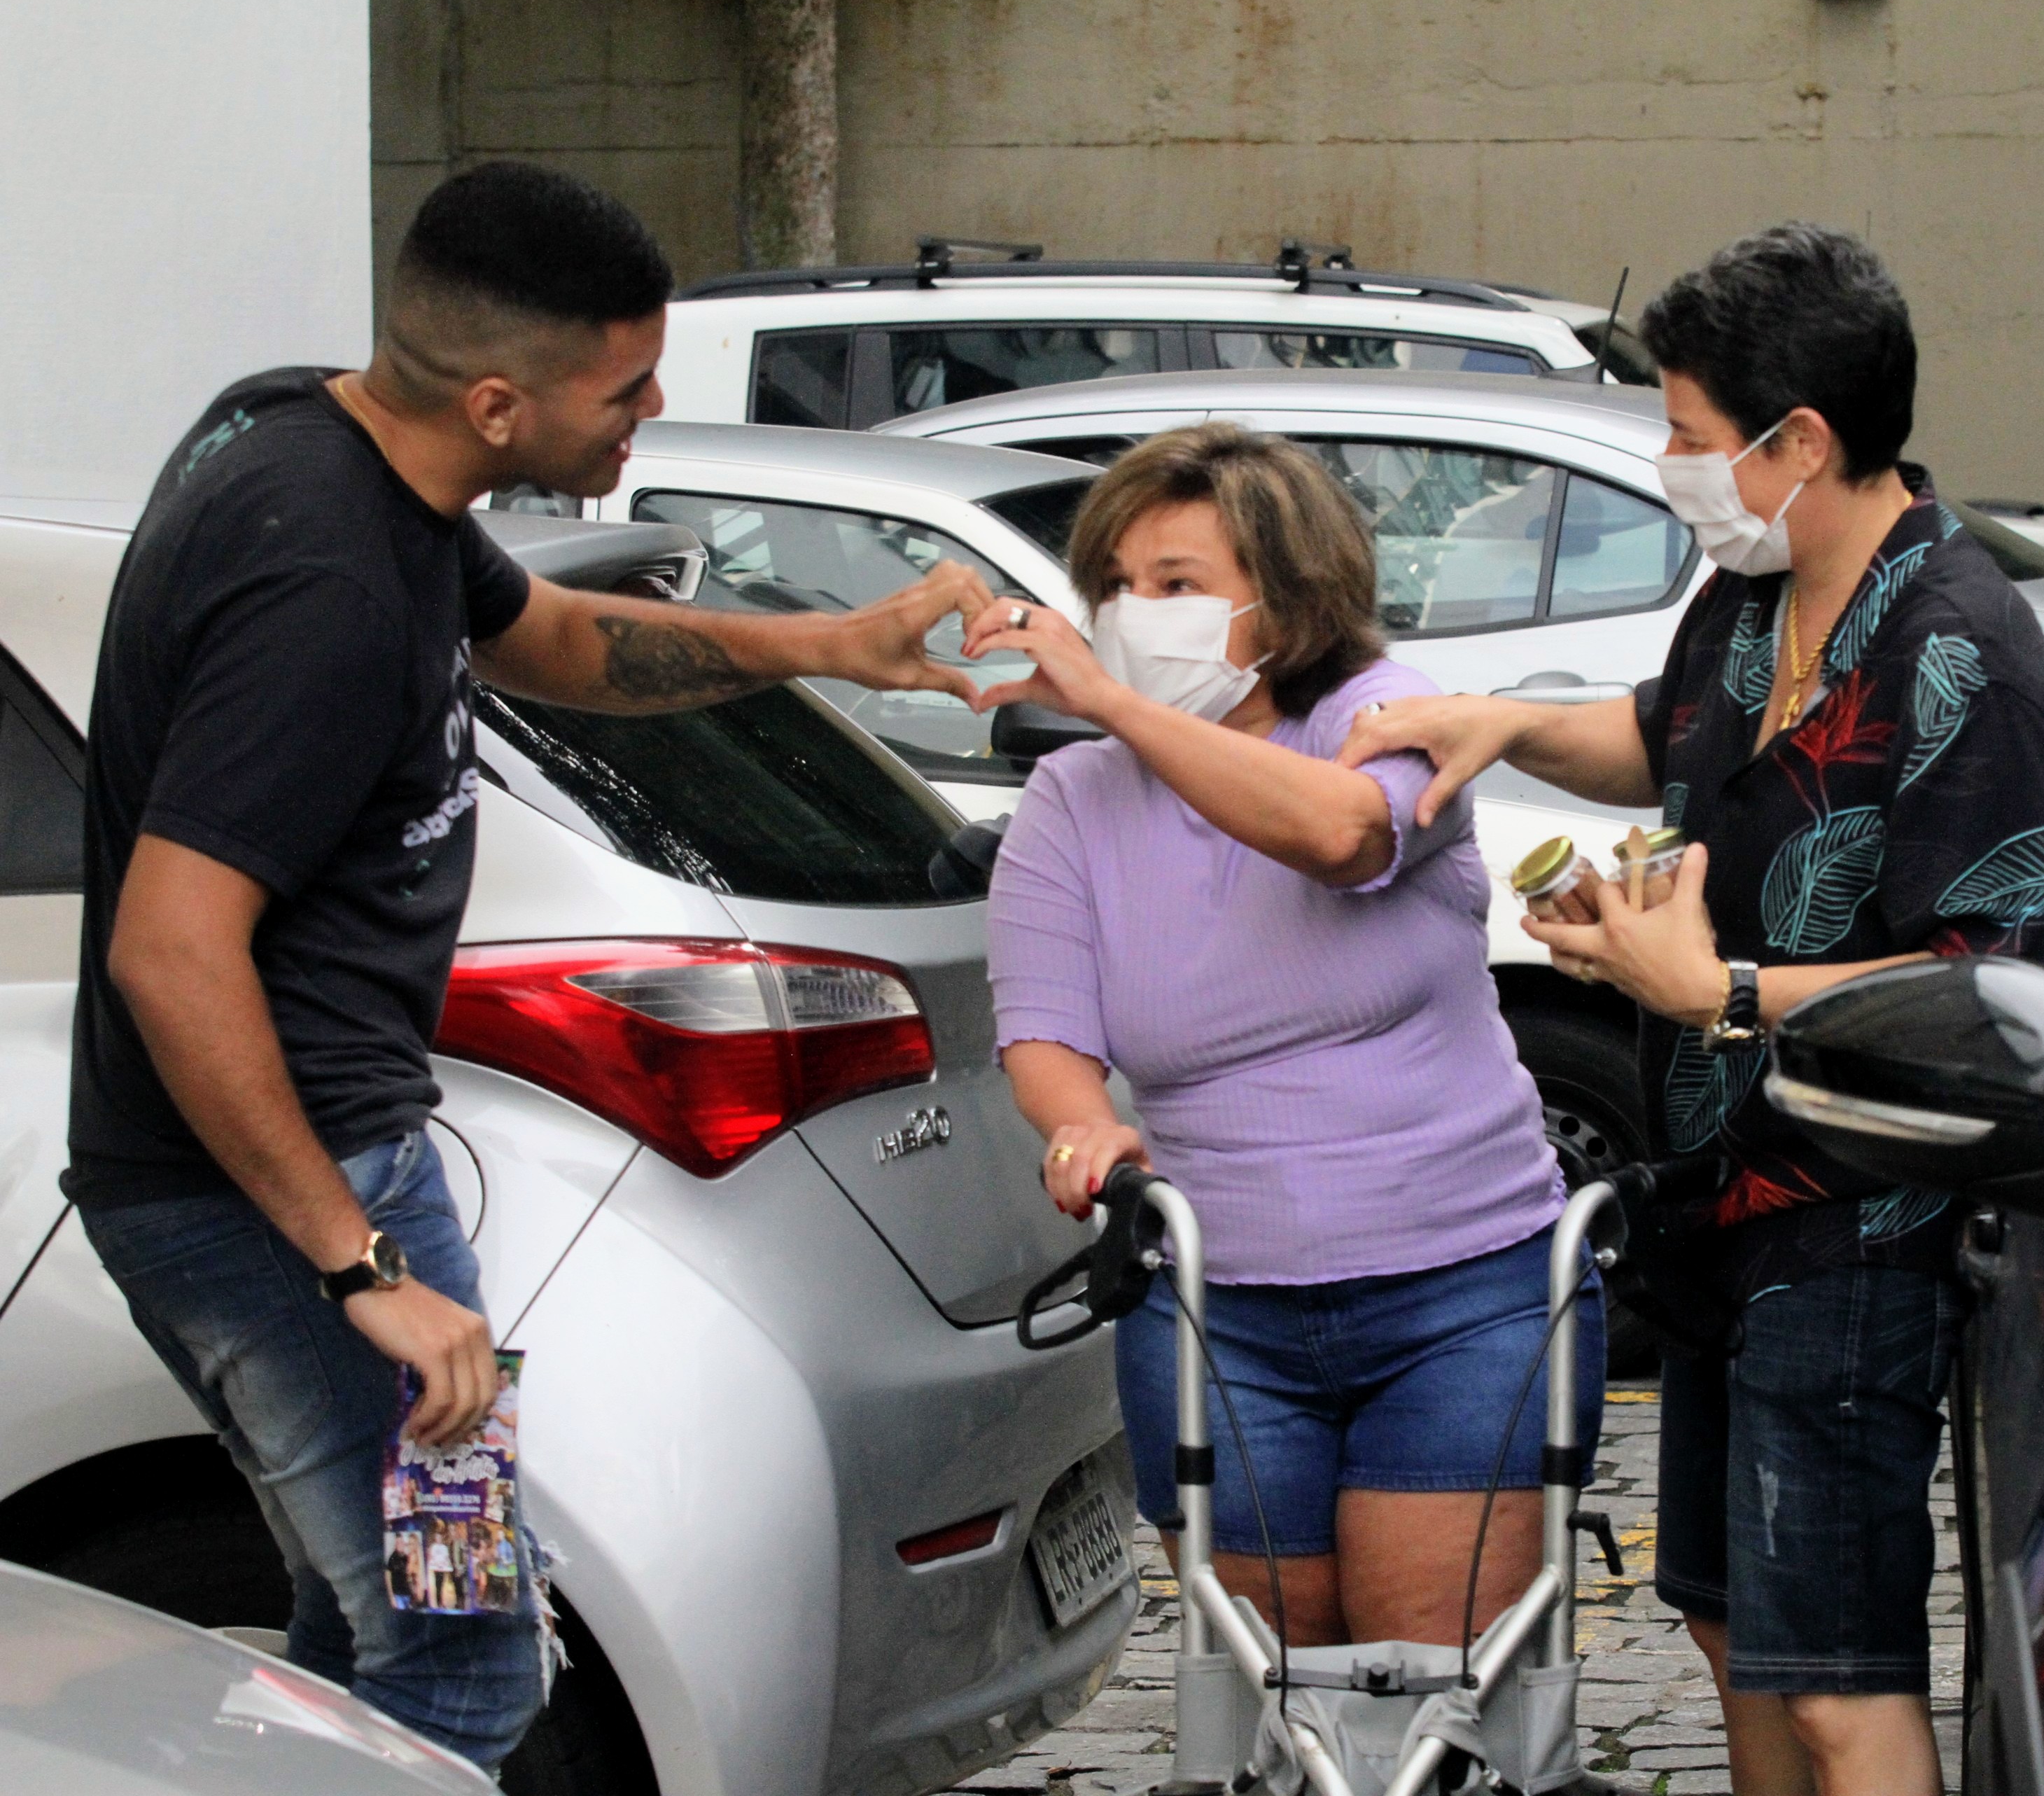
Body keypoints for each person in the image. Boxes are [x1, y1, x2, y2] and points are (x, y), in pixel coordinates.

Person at [64, 161, 991, 1772]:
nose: (642, 419)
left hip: (295, 1182)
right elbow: (169, 944)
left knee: (365, 1634)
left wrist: (833, 647)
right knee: (468, 1652)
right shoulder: (328, 586)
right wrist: (368, 1273)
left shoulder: (320, 443)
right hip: (287, 1203)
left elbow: (559, 644)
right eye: (622, 391)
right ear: (498, 403)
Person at [1341, 224, 2044, 1796]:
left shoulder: (1963, 647)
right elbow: (1668, 741)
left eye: (1685, 437)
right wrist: (1509, 730)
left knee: (1839, 1678)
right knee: (1737, 1636)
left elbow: (1982, 990)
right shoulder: (1752, 599)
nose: (1672, 466)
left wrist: (1720, 989)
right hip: (1718, 1204)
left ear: (1799, 441)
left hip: (1855, 1225)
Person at [972, 422, 1603, 1647]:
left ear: (1285, 603)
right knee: (1268, 1707)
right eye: (1114, 586)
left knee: (1423, 1705)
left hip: (1462, 1291)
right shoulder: (1074, 798)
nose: (1130, 614)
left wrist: (1104, 700)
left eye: (1177, 587)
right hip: (1217, 1301)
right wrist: (1083, 1125)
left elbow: (1343, 837)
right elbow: (1043, 1027)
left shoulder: (1389, 714)